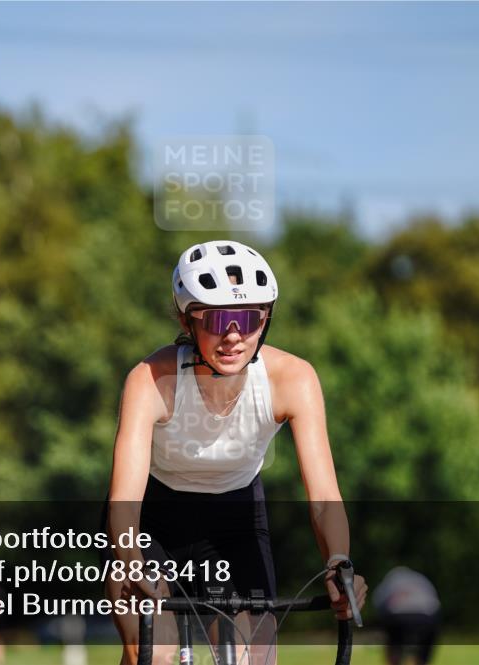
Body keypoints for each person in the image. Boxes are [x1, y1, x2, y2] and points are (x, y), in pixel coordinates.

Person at [102, 240, 367, 665]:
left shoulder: (293, 379)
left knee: (252, 658)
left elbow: (323, 498)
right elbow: (123, 503)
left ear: (265, 321)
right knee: (154, 652)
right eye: (216, 319)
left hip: (236, 518)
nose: (233, 335)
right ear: (188, 323)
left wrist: (339, 562)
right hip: (152, 520)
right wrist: (131, 562)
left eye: (248, 319)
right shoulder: (150, 379)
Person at [372, 566, 441, 665]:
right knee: (424, 648)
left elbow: (378, 601)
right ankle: (421, 660)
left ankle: (394, 659)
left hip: (397, 616)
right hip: (427, 617)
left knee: (394, 643)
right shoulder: (420, 579)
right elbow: (435, 603)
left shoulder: (391, 579)